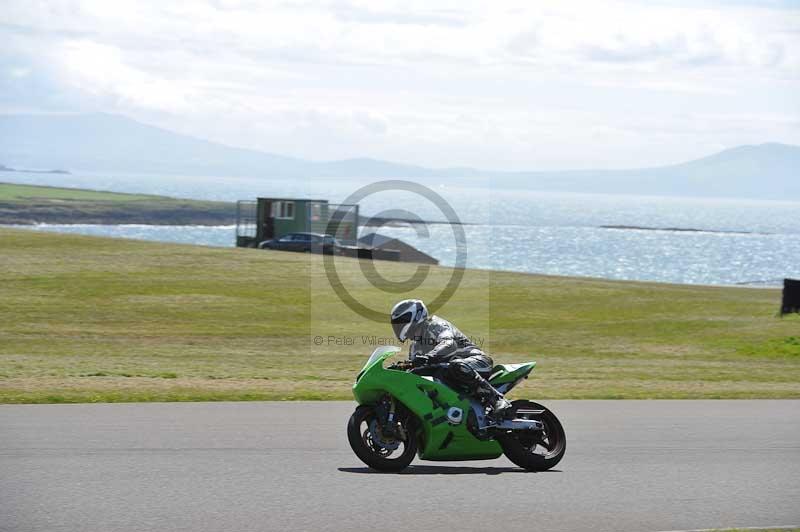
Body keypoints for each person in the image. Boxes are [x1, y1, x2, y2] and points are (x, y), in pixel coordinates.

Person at [390, 299, 512, 418]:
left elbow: (448, 343)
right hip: (450, 372)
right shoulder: (415, 347)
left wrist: (428, 357)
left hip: (477, 361)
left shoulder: (434, 325)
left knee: (456, 366)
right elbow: (414, 373)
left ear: (415, 317)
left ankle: (497, 399)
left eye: (402, 323)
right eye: (397, 324)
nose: (400, 327)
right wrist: (399, 370)